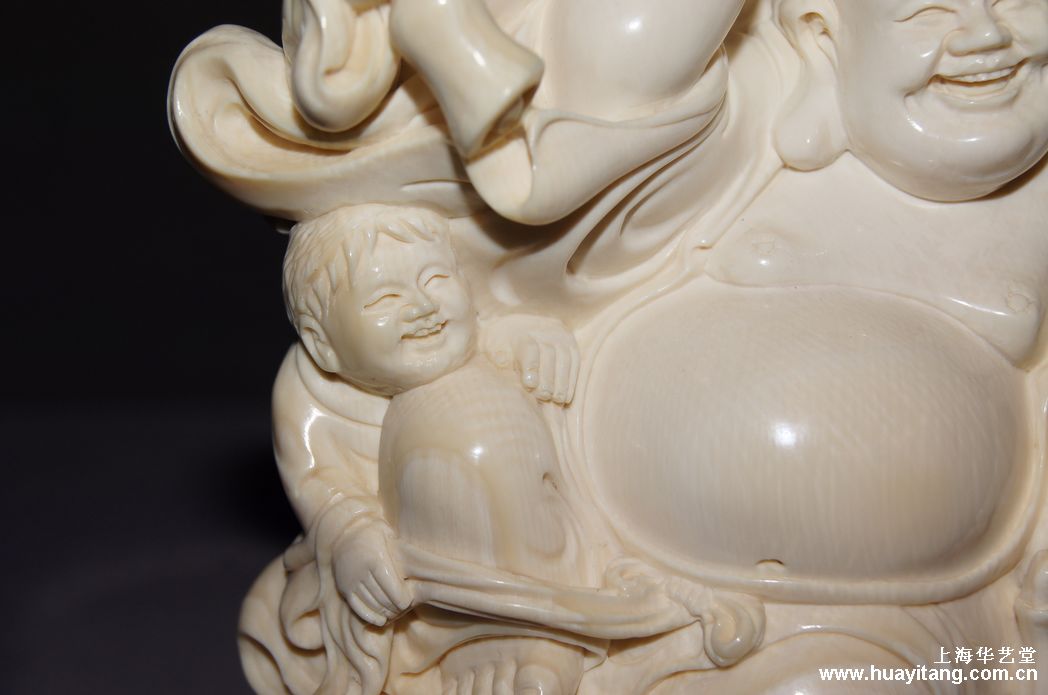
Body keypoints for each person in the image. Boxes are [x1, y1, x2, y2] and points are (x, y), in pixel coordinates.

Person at [242, 203, 593, 695]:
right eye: (385, 298)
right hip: (411, 575)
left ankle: (541, 629)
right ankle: (469, 640)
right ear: (323, 345)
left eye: (436, 279)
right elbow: (319, 485)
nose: (423, 306)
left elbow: (504, 332)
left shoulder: (476, 343)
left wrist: (538, 337)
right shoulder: (306, 393)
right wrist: (350, 534)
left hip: (526, 545)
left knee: (475, 429)